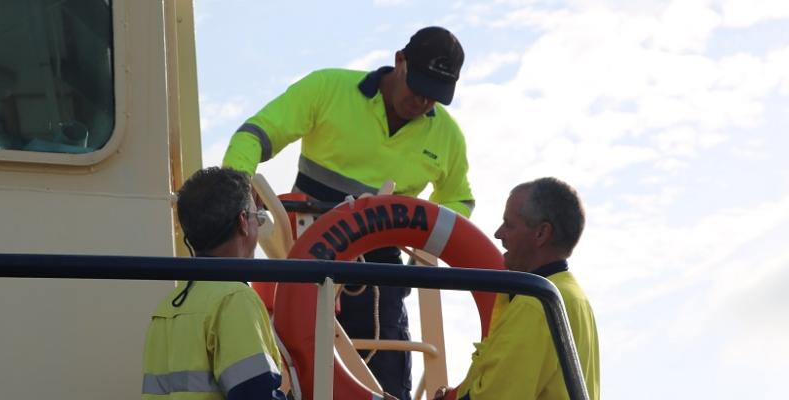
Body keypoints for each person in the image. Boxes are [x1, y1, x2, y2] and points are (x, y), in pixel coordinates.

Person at [222, 26, 474, 399]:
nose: (422, 101)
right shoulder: (328, 89)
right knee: (299, 372)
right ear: (399, 61)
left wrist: (422, 245)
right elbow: (253, 135)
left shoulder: (447, 136)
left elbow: (460, 200)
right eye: (418, 85)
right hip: (308, 255)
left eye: (434, 95)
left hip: (382, 269)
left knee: (390, 377)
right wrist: (239, 194)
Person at [434, 177, 600, 400]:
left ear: (541, 233)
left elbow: (496, 396)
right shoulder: (573, 297)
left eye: (509, 225)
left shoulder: (535, 304)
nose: (498, 234)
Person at [141, 167, 286, 399]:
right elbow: (256, 393)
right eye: (256, 217)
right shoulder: (235, 300)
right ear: (242, 222)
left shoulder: (168, 307)